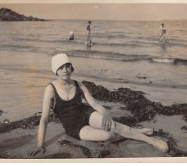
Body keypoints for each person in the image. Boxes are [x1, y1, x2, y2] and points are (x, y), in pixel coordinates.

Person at [27, 53, 168, 157]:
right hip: (74, 127)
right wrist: (40, 145)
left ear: (71, 68)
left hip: (86, 114)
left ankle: (151, 140)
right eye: (61, 67)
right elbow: (44, 119)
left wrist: (105, 113)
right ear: (55, 70)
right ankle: (137, 132)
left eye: (67, 66)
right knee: (108, 136)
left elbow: (94, 103)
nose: (65, 70)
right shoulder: (50, 89)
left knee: (115, 126)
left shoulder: (79, 85)